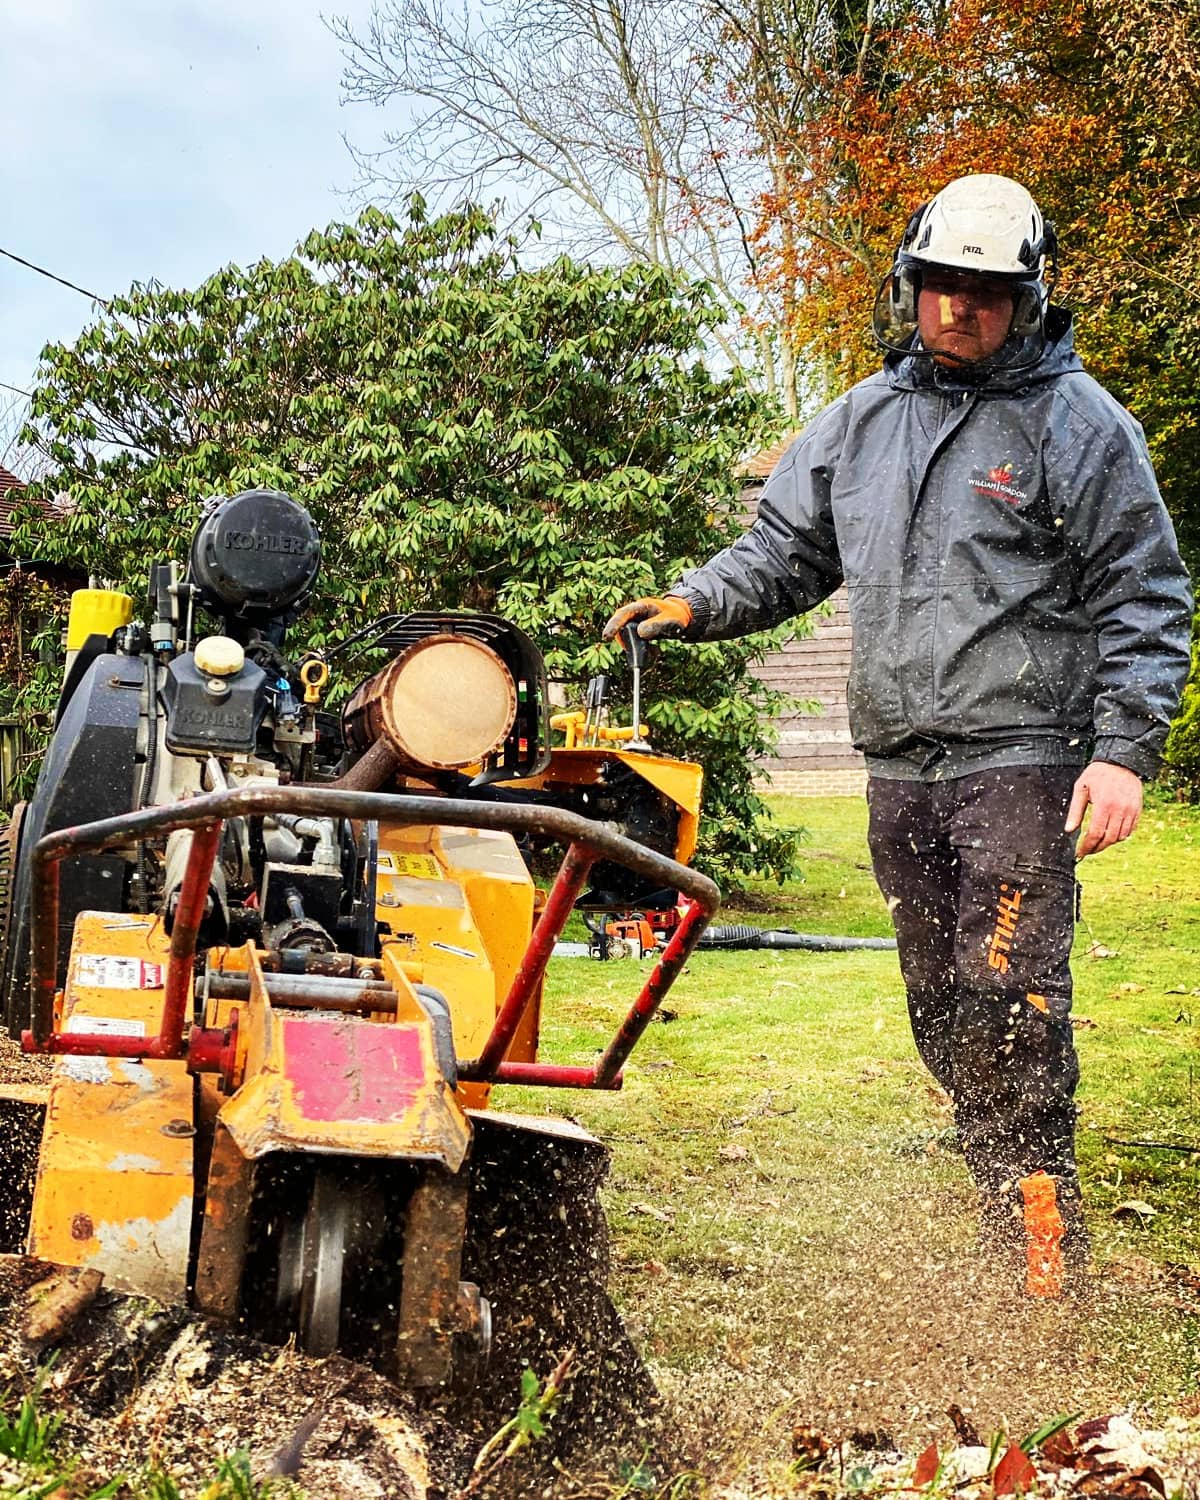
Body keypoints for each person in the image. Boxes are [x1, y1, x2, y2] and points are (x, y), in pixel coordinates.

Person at [603, 173, 1193, 1289]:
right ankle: (1001, 1188)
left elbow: (1146, 595)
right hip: (901, 765)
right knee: (939, 1004)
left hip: (1023, 759)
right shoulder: (862, 420)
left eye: (986, 291)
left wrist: (1123, 754)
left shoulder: (1081, 425)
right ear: (908, 286)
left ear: (1027, 298)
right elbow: (783, 550)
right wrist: (694, 603)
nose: (960, 307)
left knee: (1008, 991)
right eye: (941, 285)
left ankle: (1040, 1240)